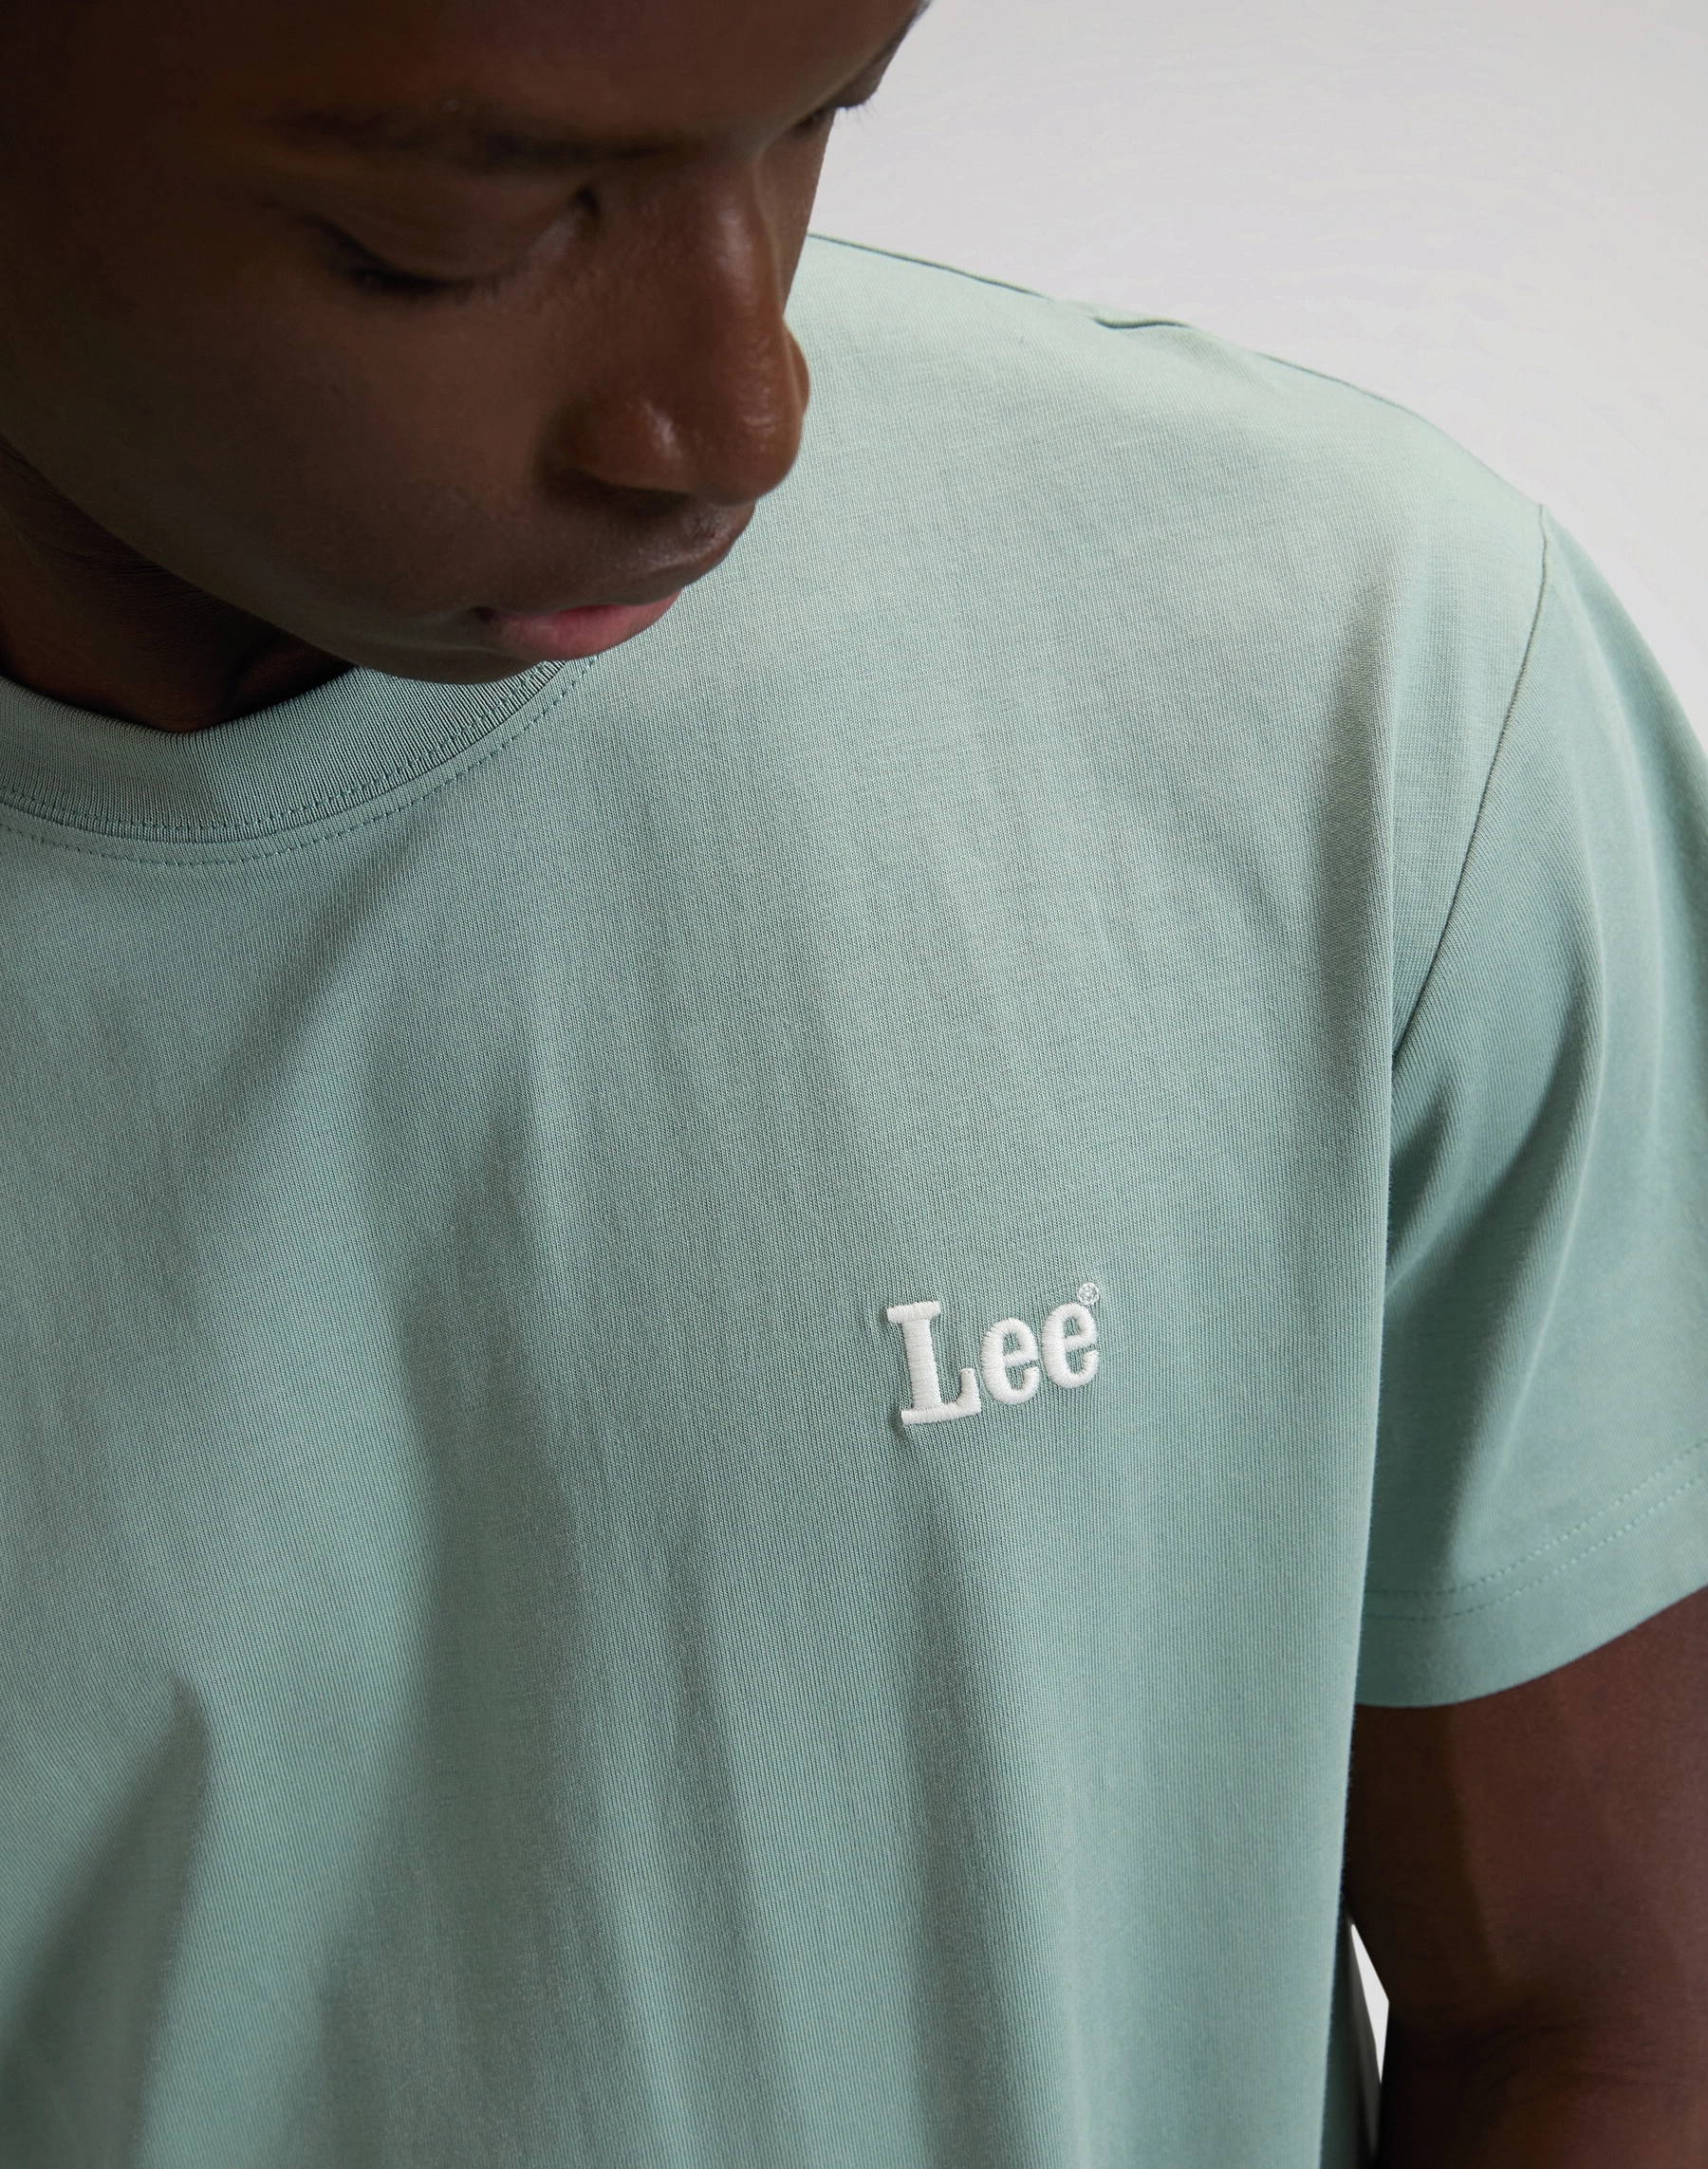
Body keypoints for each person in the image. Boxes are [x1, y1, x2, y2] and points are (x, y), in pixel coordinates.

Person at [0, 0, 1703, 2161]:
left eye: (820, 120)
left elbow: (1620, 2024)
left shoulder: (1348, 679)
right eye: (452, 234)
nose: (741, 415)